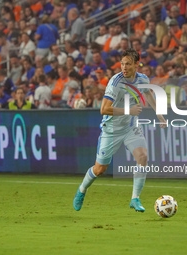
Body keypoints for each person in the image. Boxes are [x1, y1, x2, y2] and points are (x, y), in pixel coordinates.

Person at [73, 49, 166, 212]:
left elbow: (149, 93)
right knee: (99, 169)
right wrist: (128, 110)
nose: (124, 67)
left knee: (143, 157)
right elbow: (104, 109)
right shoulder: (115, 83)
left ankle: (135, 199)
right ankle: (82, 189)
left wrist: (160, 116)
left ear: (137, 65)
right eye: (122, 63)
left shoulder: (143, 79)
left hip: (131, 127)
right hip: (112, 130)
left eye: (128, 64)